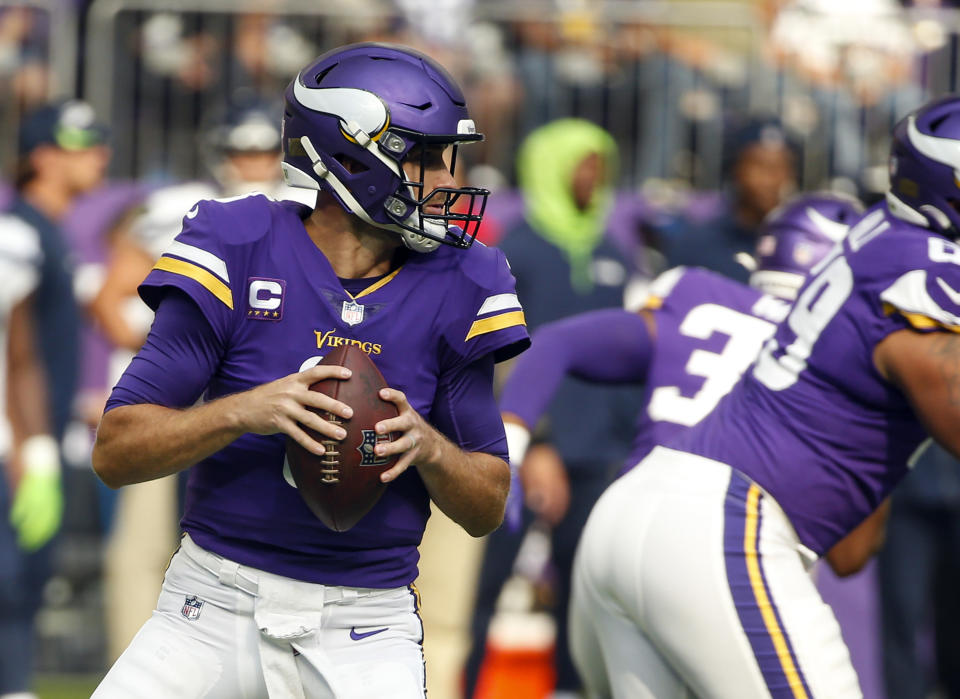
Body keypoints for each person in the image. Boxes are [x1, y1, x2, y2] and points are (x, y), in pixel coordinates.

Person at [89, 42, 528, 699]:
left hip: (366, 626)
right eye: (424, 157)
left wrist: (430, 446)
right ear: (350, 156)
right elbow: (116, 450)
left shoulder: (465, 278)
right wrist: (245, 408)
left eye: (448, 157)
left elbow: (487, 503)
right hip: (207, 608)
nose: (446, 180)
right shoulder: (238, 242)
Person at [568, 93, 960, 698]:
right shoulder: (922, 275)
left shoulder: (888, 243)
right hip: (717, 525)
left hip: (654, 511)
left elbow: (851, 550)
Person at [87, 95, 315, 663]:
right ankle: (140, 664)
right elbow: (112, 304)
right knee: (143, 552)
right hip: (182, 400)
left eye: (266, 149)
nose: (254, 161)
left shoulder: (310, 209)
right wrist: (188, 337)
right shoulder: (183, 208)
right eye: (243, 149)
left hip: (272, 403)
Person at [465, 118, 640, 699]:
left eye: (600, 164)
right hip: (518, 450)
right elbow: (499, 355)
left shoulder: (615, 252)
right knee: (485, 594)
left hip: (599, 456)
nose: (592, 176)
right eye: (580, 163)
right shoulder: (515, 251)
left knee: (586, 602)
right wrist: (535, 444)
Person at [0, 98, 110, 698]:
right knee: (10, 581)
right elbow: (18, 358)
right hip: (17, 440)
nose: (99, 156)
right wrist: (30, 446)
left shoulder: (49, 234)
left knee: (25, 582)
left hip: (37, 431)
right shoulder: (21, 235)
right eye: (81, 146)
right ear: (42, 157)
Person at [662, 116, 799, 283]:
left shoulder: (802, 248)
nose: (771, 182)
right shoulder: (698, 245)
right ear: (736, 170)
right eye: (760, 167)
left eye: (781, 168)